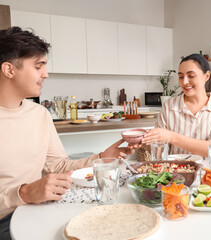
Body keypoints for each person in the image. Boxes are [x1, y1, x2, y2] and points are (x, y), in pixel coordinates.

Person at [0, 27, 134, 239]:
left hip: (36, 211)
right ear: (9, 70)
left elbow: (59, 166)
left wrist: (102, 158)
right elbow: (23, 193)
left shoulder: (39, 114)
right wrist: (23, 193)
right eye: (38, 66)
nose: (46, 74)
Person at [142, 53, 211, 157]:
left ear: (206, 76)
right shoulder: (169, 106)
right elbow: (159, 153)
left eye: (191, 76)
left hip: (206, 172)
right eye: (181, 77)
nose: (185, 82)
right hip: (174, 171)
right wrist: (146, 142)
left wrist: (171, 137)